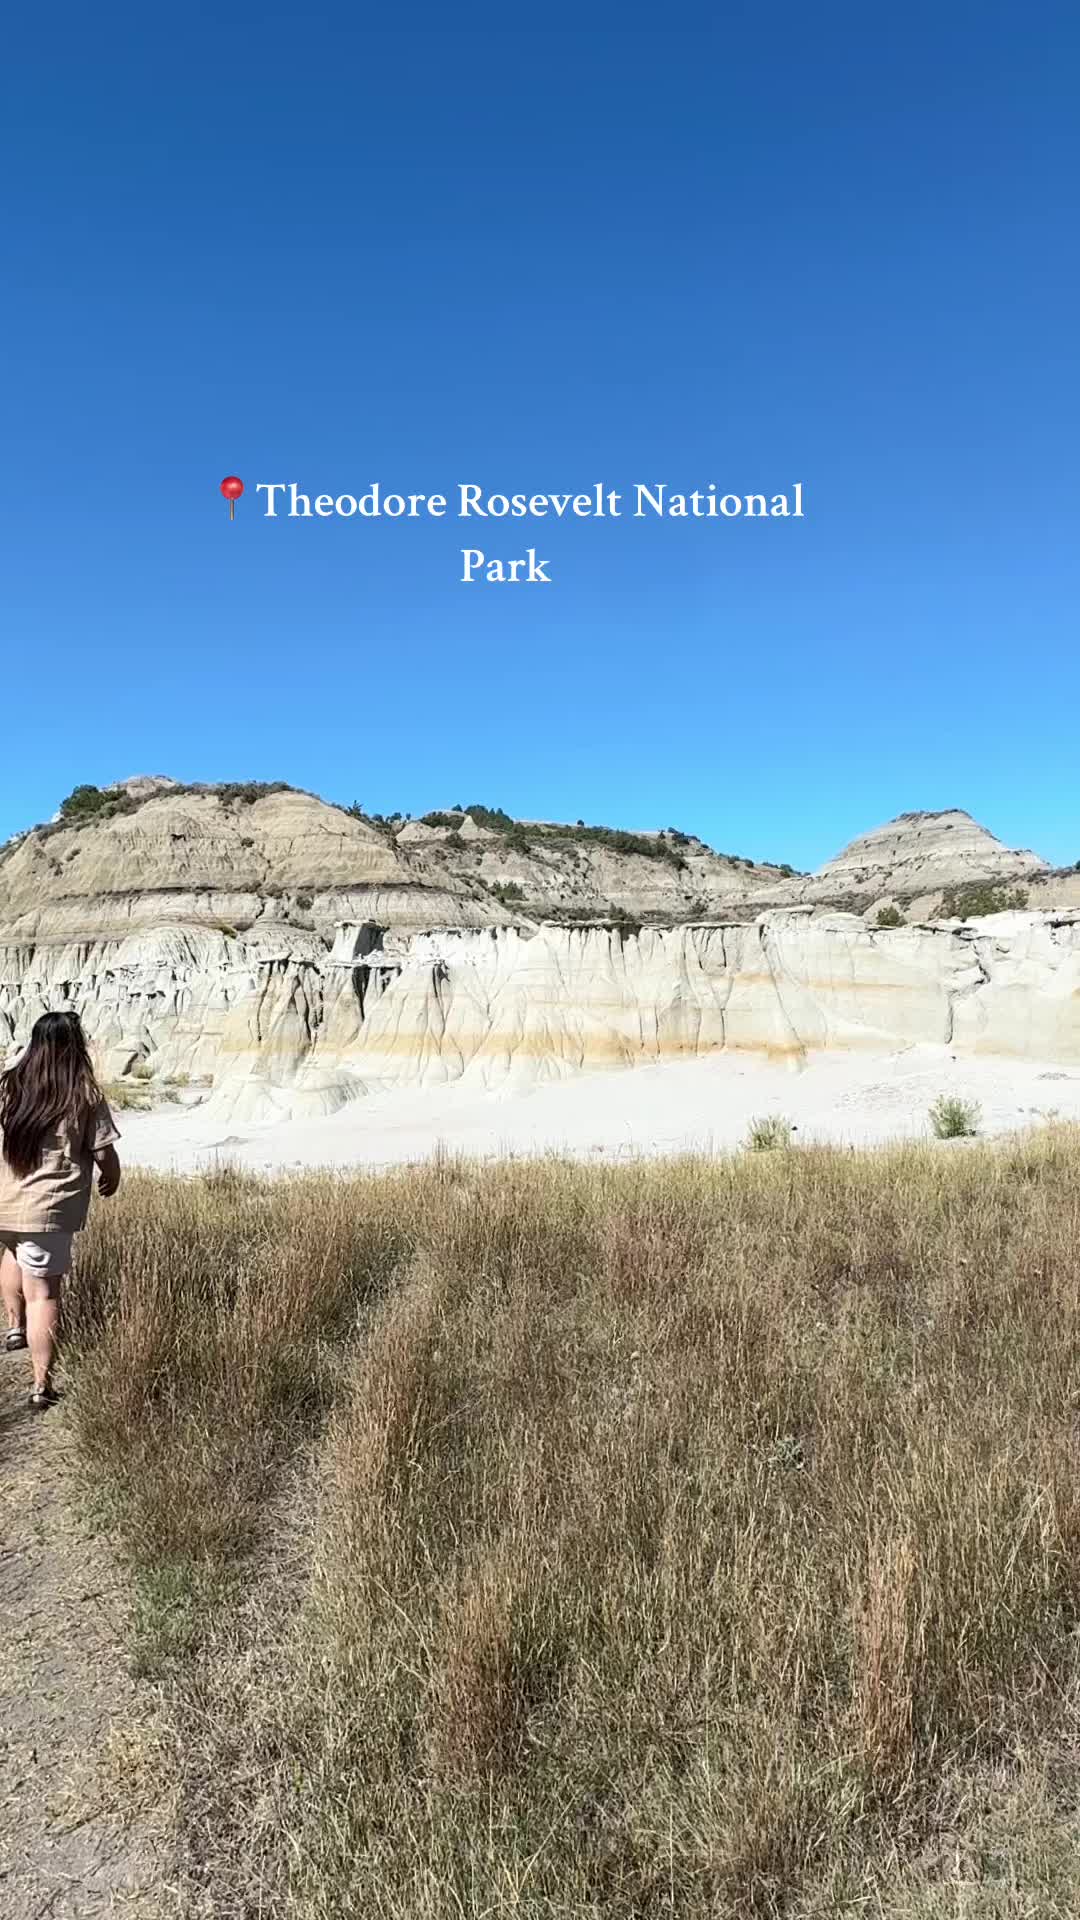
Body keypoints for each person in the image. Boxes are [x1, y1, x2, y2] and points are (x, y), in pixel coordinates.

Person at [0, 1011, 121, 1411]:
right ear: (75, 1045)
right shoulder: (81, 1092)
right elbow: (103, 1149)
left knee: (12, 1254)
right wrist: (111, 1176)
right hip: (46, 1208)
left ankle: (14, 1329)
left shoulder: (10, 1085)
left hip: (5, 1202)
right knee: (44, 1293)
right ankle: (41, 1384)